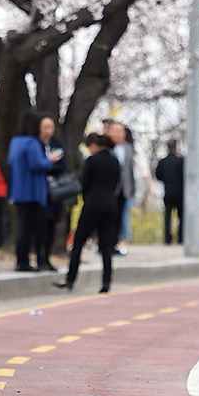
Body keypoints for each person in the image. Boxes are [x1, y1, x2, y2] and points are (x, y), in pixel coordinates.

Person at [54, 133, 120, 292]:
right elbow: (117, 183)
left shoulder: (92, 161)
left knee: (78, 244)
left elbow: (84, 184)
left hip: (93, 205)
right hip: (110, 205)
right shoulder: (115, 161)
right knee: (105, 246)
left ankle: (70, 279)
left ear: (94, 145)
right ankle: (106, 282)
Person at [7, 109, 63, 271]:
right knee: (29, 229)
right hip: (32, 192)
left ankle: (21, 260)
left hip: (18, 191)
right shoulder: (31, 143)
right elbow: (37, 164)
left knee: (22, 227)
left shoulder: (15, 141)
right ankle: (23, 262)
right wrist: (50, 160)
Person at [36, 114, 66, 271]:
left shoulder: (57, 145)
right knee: (38, 226)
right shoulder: (35, 145)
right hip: (39, 190)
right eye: (45, 127)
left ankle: (47, 257)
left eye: (51, 127)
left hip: (54, 192)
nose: (48, 131)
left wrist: (49, 166)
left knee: (50, 227)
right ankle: (38, 258)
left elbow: (62, 166)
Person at [109, 121, 135, 255]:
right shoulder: (108, 148)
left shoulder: (129, 149)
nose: (118, 134)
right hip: (110, 189)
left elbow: (130, 170)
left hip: (124, 188)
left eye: (120, 131)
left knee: (120, 217)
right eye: (115, 131)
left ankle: (115, 244)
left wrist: (132, 188)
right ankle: (105, 244)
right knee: (109, 217)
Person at [155, 139, 184, 245]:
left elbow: (158, 175)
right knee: (181, 216)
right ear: (176, 147)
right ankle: (181, 238)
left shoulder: (163, 162)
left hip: (168, 190)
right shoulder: (181, 161)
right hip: (180, 192)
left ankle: (168, 238)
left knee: (167, 216)